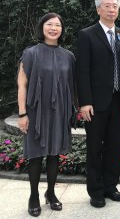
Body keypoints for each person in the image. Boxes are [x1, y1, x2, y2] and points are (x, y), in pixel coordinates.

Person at [76, 0, 120, 208]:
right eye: (107, 6)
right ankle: (96, 190)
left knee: (114, 146)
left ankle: (110, 186)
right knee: (94, 147)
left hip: (119, 102)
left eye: (115, 6)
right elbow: (82, 71)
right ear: (98, 9)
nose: (111, 9)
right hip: (95, 104)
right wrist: (85, 101)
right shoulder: (87, 34)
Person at [17, 12, 75, 217]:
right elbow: (22, 85)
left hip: (59, 110)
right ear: (42, 28)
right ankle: (33, 196)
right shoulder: (30, 53)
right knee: (35, 156)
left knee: (54, 154)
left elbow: (70, 86)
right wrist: (22, 114)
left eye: (57, 25)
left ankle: (50, 193)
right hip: (35, 111)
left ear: (62, 29)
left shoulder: (68, 56)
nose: (53, 28)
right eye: (49, 24)